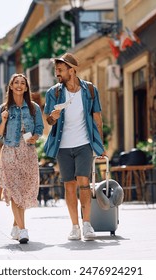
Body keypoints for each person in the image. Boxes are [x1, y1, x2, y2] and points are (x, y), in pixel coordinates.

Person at [43, 53, 105, 241]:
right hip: (63, 146)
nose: (57, 74)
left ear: (72, 70)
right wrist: (53, 116)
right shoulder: (53, 93)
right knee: (69, 186)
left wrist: (100, 145)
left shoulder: (90, 90)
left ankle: (87, 224)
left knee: (84, 183)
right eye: (56, 71)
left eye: (60, 70)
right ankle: (75, 227)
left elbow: (97, 119)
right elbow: (49, 121)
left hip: (84, 144)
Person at [0, 73, 44, 244]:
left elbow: (39, 128)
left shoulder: (33, 107)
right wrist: (4, 120)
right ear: (11, 86)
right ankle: (23, 230)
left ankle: (16, 225)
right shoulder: (3, 109)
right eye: (16, 83)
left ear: (26, 87)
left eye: (23, 83)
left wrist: (35, 137)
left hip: (27, 152)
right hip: (10, 151)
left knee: (23, 189)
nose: (20, 85)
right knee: (14, 190)